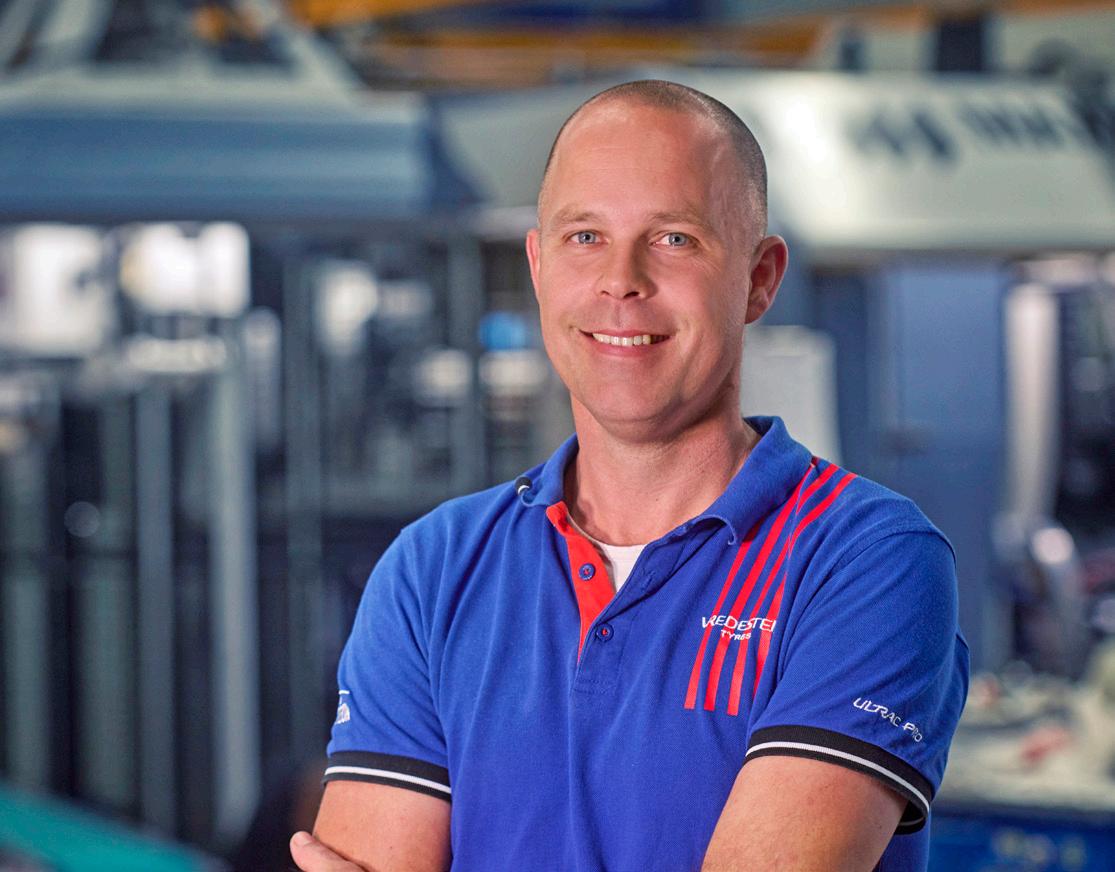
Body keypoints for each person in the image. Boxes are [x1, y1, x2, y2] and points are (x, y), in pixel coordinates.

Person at [290, 79, 969, 872]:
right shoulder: (435, 567)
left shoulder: (863, 558)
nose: (621, 280)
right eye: (584, 237)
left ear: (758, 278)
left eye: (674, 239)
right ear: (538, 266)